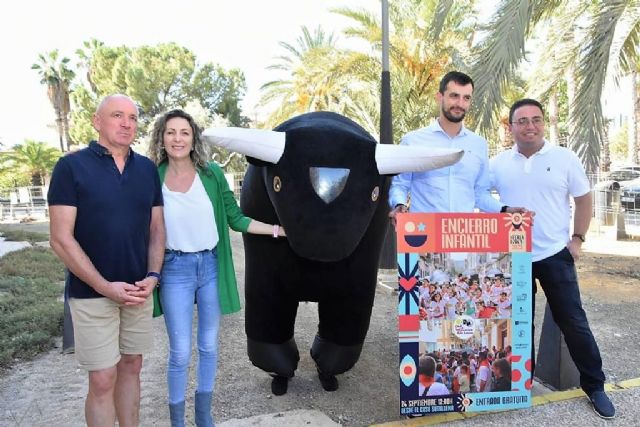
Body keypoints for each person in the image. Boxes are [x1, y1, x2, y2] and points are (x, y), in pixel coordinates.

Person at [148, 109, 286, 427]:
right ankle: (177, 422)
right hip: (175, 269)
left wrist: (279, 230)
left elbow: (236, 219)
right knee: (180, 351)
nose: (177, 138)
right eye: (171, 132)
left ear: (194, 137)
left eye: (184, 132)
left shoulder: (211, 174)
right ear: (162, 137)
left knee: (209, 346)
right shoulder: (152, 176)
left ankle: (204, 416)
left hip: (209, 266)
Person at [490, 98, 615, 419]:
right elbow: (478, 198)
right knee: (519, 324)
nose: (530, 126)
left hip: (555, 254)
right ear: (511, 127)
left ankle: (595, 385)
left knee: (573, 321)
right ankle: (522, 383)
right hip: (514, 257)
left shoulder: (564, 158)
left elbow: (584, 199)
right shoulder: (498, 164)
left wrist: (578, 239)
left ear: (543, 123)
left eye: (536, 119)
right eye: (522, 121)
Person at [48, 94, 165, 426]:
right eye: (117, 115)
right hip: (91, 293)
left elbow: (157, 228)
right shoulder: (70, 167)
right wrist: (103, 286)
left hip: (137, 291)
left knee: (132, 367)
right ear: (96, 121)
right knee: (102, 379)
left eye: (132, 117)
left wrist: (154, 275)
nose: (126, 123)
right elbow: (60, 238)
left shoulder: (146, 169)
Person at [389, 71, 522, 221]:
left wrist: (505, 209)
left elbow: (480, 194)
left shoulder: (478, 145)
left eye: (466, 98)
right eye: (454, 96)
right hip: (424, 236)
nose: (460, 104)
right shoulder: (413, 141)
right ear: (439, 97)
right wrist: (398, 204)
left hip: (464, 237)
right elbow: (400, 184)